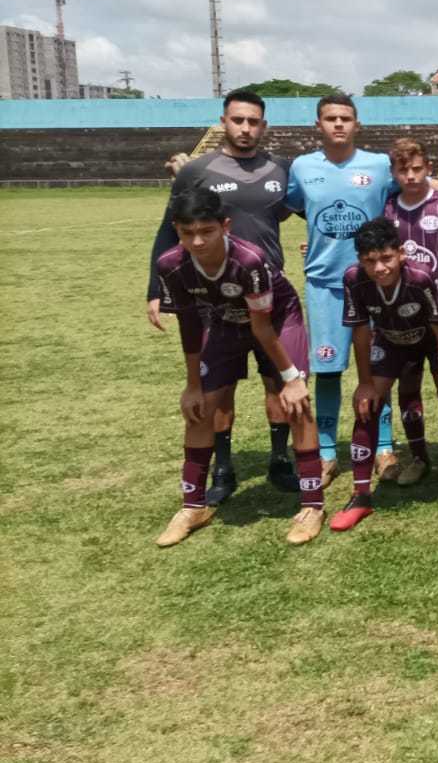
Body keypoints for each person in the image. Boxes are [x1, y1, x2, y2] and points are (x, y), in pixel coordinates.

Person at [146, 89, 296, 502]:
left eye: (253, 122)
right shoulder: (197, 170)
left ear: (263, 126)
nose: (245, 128)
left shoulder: (280, 169)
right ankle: (224, 468)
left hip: (268, 293)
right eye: (237, 120)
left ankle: (280, 460)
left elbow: (311, 211)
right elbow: (168, 229)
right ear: (224, 122)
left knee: (276, 382)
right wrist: (154, 289)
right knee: (220, 388)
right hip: (215, 301)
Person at [153, 189, 323, 547]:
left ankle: (312, 505)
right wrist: (192, 385)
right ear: (176, 230)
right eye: (187, 233)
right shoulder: (171, 264)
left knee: (297, 404)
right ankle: (193, 506)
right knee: (199, 411)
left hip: (277, 320)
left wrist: (292, 379)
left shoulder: (249, 259)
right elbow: (189, 325)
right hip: (225, 322)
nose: (197, 241)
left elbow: (262, 327)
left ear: (225, 226)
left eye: (207, 231)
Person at [285, 93, 404, 484]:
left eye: (346, 118)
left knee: (379, 367)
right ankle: (326, 452)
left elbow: (409, 196)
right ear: (318, 124)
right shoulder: (302, 167)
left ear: (357, 124)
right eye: (331, 118)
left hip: (375, 283)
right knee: (328, 369)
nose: (338, 124)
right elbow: (301, 208)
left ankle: (384, 449)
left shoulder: (380, 165)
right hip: (324, 284)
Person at [331, 218, 438, 532]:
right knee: (368, 404)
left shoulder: (420, 276)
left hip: (434, 339)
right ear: (359, 260)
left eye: (386, 258)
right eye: (370, 261)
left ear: (401, 254)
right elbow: (361, 332)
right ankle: (362, 495)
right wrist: (365, 383)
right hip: (393, 341)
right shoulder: (353, 279)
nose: (379, 268)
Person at [382, 137, 438, 485]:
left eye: (418, 169)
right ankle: (417, 457)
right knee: (408, 385)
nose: (412, 176)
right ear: (394, 173)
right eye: (404, 170)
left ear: (429, 169)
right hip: (402, 317)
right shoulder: (388, 209)